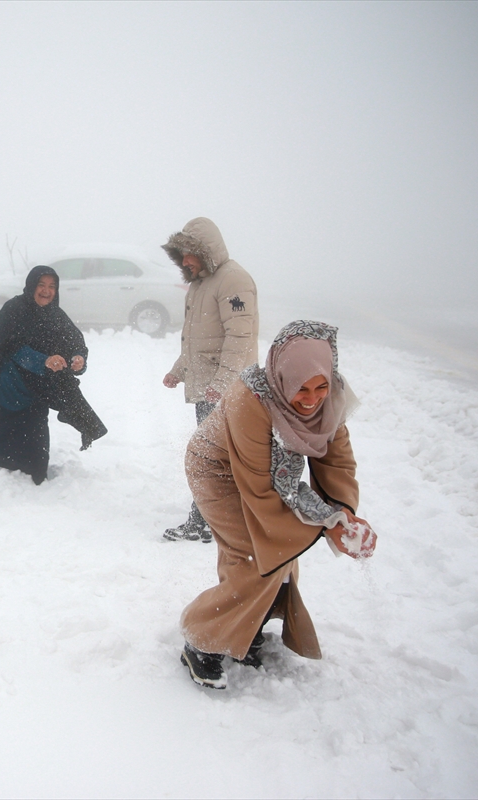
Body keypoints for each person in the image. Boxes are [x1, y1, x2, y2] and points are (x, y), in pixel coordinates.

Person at [177, 320, 376, 690]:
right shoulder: (249, 399)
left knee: (273, 553)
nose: (312, 398)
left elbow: (337, 461)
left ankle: (245, 627)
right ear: (283, 377)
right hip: (217, 469)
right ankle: (202, 641)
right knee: (257, 555)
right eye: (302, 388)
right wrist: (326, 518)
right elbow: (265, 486)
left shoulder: (330, 396)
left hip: (264, 476)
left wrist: (344, 513)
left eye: (321, 386)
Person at [161, 217, 259, 543]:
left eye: (190, 254)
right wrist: (180, 369)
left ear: (207, 250)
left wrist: (224, 382)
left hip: (227, 390)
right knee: (218, 459)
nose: (185, 261)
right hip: (209, 388)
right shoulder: (201, 283)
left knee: (212, 460)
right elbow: (195, 338)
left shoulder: (233, 280)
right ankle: (214, 521)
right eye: (182, 255)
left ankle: (207, 522)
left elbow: (239, 336)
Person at [0, 265, 107, 484]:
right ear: (31, 286)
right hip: (1, 379)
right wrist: (44, 360)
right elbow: (11, 346)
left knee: (34, 435)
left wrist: (78, 357)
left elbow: (74, 340)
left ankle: (34, 470)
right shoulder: (14, 308)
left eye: (52, 286)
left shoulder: (55, 314)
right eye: (41, 285)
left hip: (32, 383)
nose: (46, 291)